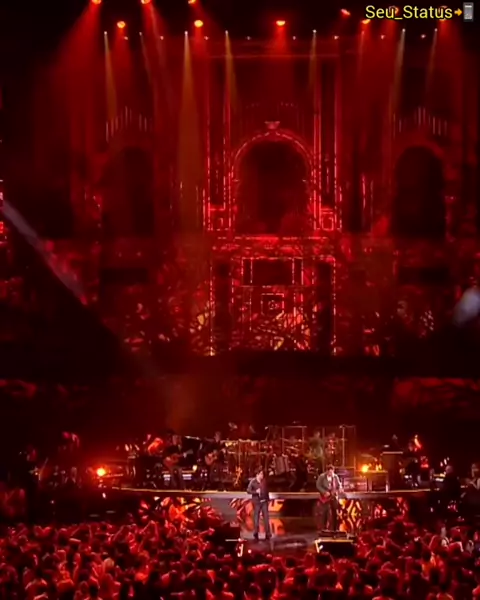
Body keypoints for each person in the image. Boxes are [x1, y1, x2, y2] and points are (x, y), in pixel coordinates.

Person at [247, 467, 271, 541]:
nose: (262, 475)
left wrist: (268, 499)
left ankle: (268, 533)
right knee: (256, 518)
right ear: (257, 474)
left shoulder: (264, 481)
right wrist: (255, 492)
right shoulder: (253, 482)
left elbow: (266, 491)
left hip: (264, 502)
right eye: (261, 474)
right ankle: (256, 532)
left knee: (266, 518)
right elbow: (248, 491)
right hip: (257, 502)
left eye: (262, 474)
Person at [316, 464, 342, 531]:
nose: (331, 473)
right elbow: (318, 485)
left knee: (335, 512)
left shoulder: (335, 477)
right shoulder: (322, 476)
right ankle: (324, 528)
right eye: (329, 472)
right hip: (325, 497)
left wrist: (340, 488)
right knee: (324, 512)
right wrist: (324, 492)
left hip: (333, 496)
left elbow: (339, 484)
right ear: (327, 471)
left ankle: (335, 528)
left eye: (332, 472)